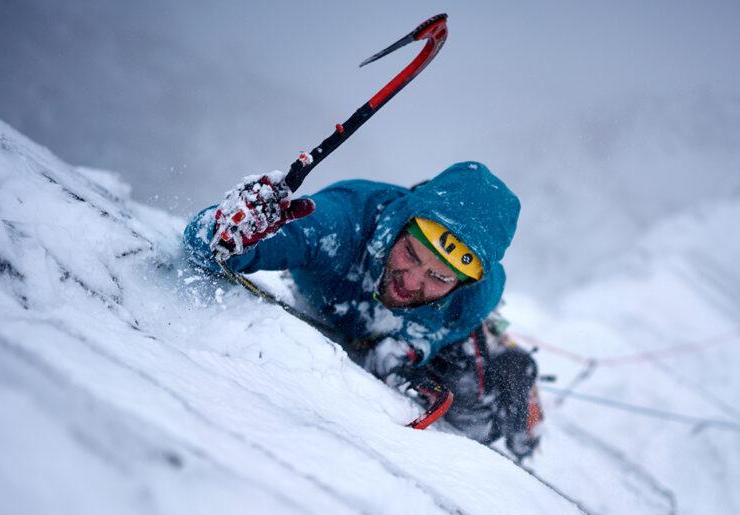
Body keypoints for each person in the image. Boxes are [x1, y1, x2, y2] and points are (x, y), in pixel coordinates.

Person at [183, 161, 542, 460]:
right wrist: (229, 232)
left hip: (424, 328)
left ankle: (513, 369)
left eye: (438, 276)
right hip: (362, 314)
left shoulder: (475, 295)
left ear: (462, 283)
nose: (412, 281)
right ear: (400, 227)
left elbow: (441, 327)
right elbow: (209, 244)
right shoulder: (343, 224)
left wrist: (408, 349)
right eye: (411, 254)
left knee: (476, 426)